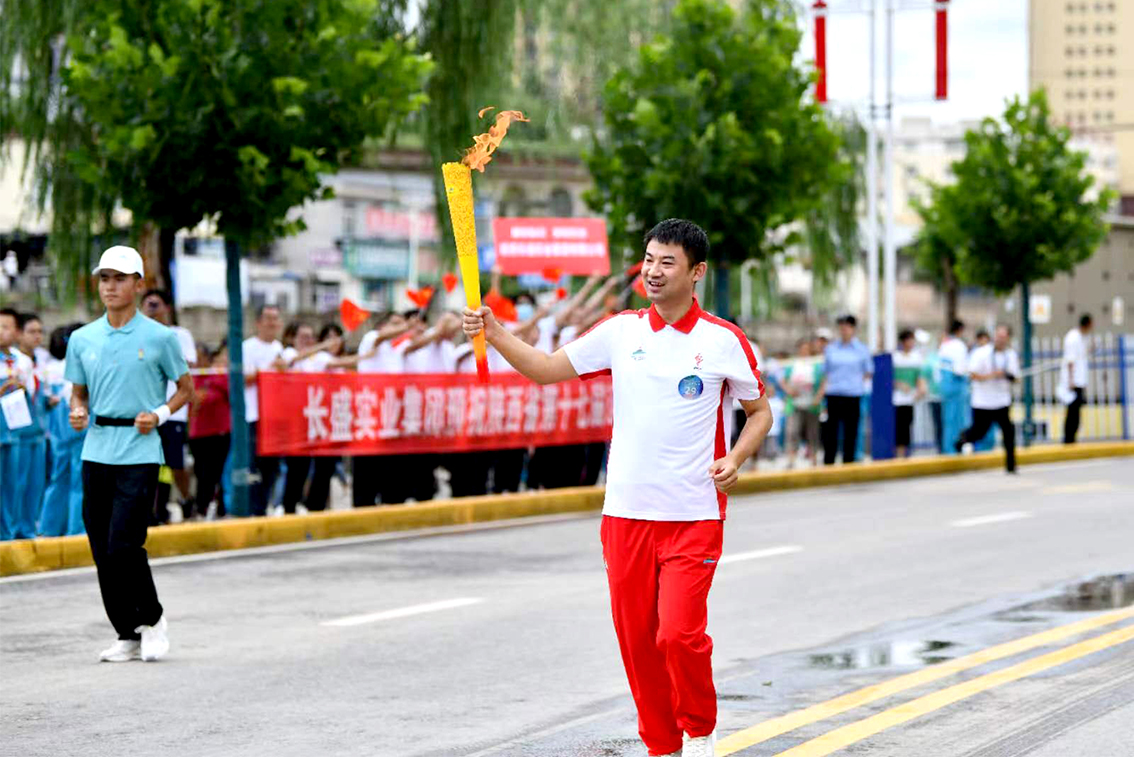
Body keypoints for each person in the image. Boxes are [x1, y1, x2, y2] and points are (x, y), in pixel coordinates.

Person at [463, 218, 772, 757]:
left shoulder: (723, 340)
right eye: (649, 260)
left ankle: (698, 729)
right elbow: (545, 368)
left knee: (678, 635)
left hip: (693, 513)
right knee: (638, 643)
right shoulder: (621, 332)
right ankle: (662, 747)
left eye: (667, 262)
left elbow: (759, 412)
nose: (654, 271)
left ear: (696, 272)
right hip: (626, 514)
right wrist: (495, 331)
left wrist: (736, 457)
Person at [64, 245, 192, 662]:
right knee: (102, 547)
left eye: (120, 278)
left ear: (138, 284)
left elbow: (186, 389)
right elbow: (78, 392)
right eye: (105, 278)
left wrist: (159, 414)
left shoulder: (160, 337)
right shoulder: (82, 338)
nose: (110, 286)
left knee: (124, 543)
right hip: (97, 448)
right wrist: (77, 411)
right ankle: (127, 633)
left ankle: (152, 620)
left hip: (139, 450)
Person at [142, 290, 197, 522]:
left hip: (173, 411)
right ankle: (157, 509)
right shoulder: (138, 335)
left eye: (156, 305)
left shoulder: (179, 335)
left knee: (175, 463)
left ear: (167, 308)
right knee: (153, 463)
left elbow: (188, 366)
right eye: (148, 305)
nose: (152, 310)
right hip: (146, 411)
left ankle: (186, 499)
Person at [39, 323, 87, 536]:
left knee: (58, 479)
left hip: (57, 433)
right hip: (79, 428)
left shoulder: (49, 369)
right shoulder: (80, 369)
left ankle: (49, 528)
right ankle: (77, 529)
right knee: (79, 482)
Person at [955, 324, 1019, 473]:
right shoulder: (981, 353)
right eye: (998, 336)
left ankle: (1011, 465)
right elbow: (972, 375)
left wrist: (1006, 375)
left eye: (1004, 337)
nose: (1000, 340)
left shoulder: (1011, 355)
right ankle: (961, 441)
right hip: (983, 401)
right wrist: (992, 375)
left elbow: (1016, 377)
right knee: (979, 432)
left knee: (1008, 432)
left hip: (1002, 400)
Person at [242, 305, 283, 516]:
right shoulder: (247, 347)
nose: (272, 323)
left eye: (275, 318)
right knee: (253, 465)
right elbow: (243, 378)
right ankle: (251, 508)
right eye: (268, 318)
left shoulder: (279, 348)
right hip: (253, 415)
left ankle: (263, 507)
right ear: (258, 322)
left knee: (271, 467)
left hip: (274, 417)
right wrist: (269, 369)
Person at [0, 308, 37, 540]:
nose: (1, 332)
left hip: (14, 431)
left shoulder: (22, 362)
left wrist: (21, 388)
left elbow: (32, 393)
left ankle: (9, 532)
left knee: (13, 483)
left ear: (16, 332)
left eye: (6, 327)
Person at [817, 315, 872, 465]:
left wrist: (854, 383)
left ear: (853, 329)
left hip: (853, 395)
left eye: (847, 327)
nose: (844, 330)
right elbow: (825, 373)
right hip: (833, 395)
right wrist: (821, 394)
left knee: (851, 432)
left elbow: (868, 372)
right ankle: (829, 463)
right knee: (831, 432)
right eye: (841, 327)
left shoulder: (862, 350)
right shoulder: (831, 349)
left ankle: (848, 463)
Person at [13, 313, 50, 534]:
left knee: (36, 485)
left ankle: (28, 529)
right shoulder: (15, 362)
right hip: (19, 434)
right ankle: (13, 530)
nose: (37, 336)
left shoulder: (43, 361)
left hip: (40, 432)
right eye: (31, 331)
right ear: (19, 334)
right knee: (16, 484)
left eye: (40, 331)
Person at [188, 342, 231, 520]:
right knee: (202, 472)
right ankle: (203, 507)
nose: (197, 362)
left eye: (201, 358)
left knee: (215, 473)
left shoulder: (218, 375)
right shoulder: (192, 377)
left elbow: (227, 392)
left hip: (219, 432)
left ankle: (214, 507)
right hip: (198, 433)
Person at [784, 339, 822, 468]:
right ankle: (791, 458)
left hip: (811, 404)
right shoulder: (792, 363)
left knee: (812, 432)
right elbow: (783, 380)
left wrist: (818, 397)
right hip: (794, 403)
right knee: (792, 431)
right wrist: (789, 390)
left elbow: (823, 381)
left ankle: (814, 458)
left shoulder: (816, 363)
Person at [892, 329, 927, 458]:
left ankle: (906, 454)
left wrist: (921, 388)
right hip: (896, 399)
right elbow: (887, 378)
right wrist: (899, 384)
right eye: (909, 340)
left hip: (910, 399)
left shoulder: (916, 357)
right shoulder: (895, 358)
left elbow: (919, 377)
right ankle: (898, 455)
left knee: (907, 426)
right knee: (898, 428)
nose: (911, 343)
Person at [937, 320, 969, 454]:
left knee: (948, 420)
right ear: (960, 330)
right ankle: (955, 448)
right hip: (957, 387)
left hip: (945, 388)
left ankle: (947, 449)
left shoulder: (944, 345)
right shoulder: (959, 346)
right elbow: (960, 370)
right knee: (958, 421)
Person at [1061, 313, 1092, 444]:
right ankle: (1068, 439)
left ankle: (1071, 439)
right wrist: (1071, 380)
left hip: (1079, 381)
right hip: (1073, 382)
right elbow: (1070, 360)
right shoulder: (1073, 337)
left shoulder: (1081, 337)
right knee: (1072, 413)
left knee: (1076, 413)